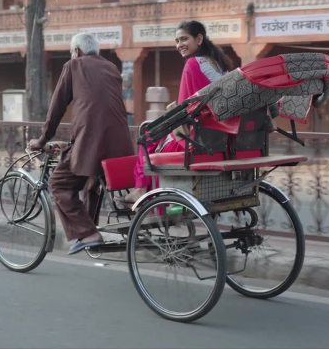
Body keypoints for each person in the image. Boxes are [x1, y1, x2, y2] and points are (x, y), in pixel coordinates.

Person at [27, 33, 134, 254]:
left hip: (91, 142)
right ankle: (90, 230)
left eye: (71, 52)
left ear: (76, 51)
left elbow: (57, 107)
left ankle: (89, 233)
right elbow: (98, 107)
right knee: (90, 180)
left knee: (59, 184)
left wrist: (42, 139)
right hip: (120, 145)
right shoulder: (111, 68)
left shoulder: (73, 65)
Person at [121, 20, 234, 203]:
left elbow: (183, 108)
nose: (179, 45)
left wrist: (165, 125)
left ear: (199, 39)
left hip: (198, 138)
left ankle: (141, 188)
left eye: (184, 39)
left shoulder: (193, 64)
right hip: (219, 135)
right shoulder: (219, 65)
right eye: (176, 41)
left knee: (148, 136)